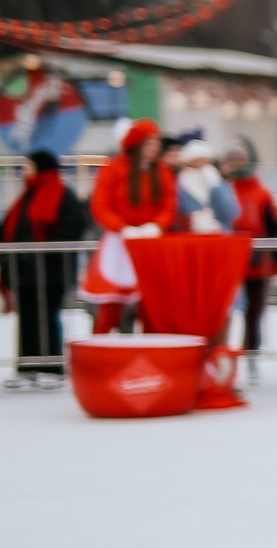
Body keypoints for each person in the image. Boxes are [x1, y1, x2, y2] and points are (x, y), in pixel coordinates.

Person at [81, 119, 177, 333]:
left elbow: (169, 206)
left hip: (150, 243)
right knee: (111, 304)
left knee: (151, 304)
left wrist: (156, 226)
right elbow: (100, 206)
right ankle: (102, 353)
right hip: (119, 244)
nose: (155, 148)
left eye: (156, 143)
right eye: (150, 143)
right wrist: (122, 228)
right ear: (137, 144)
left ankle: (151, 352)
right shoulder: (113, 169)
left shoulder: (162, 172)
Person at [2, 148, 88, 387]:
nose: (25, 172)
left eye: (28, 167)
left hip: (51, 272)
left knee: (48, 316)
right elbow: (12, 227)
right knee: (27, 318)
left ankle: (51, 366)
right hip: (25, 272)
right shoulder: (27, 195)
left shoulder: (61, 194)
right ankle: (28, 367)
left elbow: (72, 227)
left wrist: (48, 252)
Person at [223, 145, 277, 379]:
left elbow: (274, 225)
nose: (237, 165)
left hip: (257, 258)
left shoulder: (261, 193)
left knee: (254, 310)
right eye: (233, 160)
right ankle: (222, 354)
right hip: (229, 256)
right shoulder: (223, 189)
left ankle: (251, 353)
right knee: (226, 309)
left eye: (241, 160)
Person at [172, 137, 239, 233]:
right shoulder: (180, 185)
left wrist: (217, 185)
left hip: (221, 235)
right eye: (196, 162)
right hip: (192, 238)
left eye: (205, 162)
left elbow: (232, 212)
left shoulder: (216, 182)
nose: (202, 166)